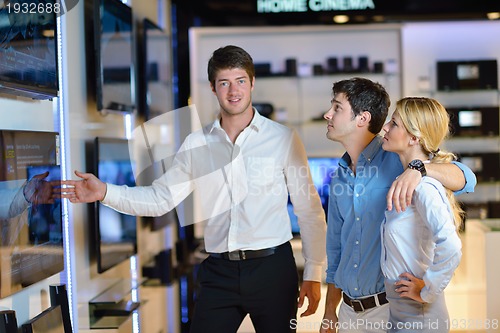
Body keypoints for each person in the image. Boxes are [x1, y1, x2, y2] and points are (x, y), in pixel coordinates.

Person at [59, 45, 327, 333]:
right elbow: (160, 199)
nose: (233, 91)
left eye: (240, 81)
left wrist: (313, 272)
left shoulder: (283, 138)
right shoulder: (196, 144)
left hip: (273, 269)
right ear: (213, 87)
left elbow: (309, 210)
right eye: (224, 82)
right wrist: (104, 193)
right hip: (218, 272)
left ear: (252, 83)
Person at [319, 78, 476, 333]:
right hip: (348, 312)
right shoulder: (339, 176)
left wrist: (420, 169)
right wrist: (330, 312)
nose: (328, 114)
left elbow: (467, 178)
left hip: (387, 308)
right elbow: (337, 250)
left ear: (362, 118)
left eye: (337, 107)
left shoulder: (397, 158)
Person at [380, 97, 462, 332]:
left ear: (414, 138)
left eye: (393, 123)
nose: (385, 127)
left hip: (420, 317)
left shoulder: (423, 186)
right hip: (400, 311)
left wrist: (427, 289)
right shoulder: (405, 179)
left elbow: (452, 246)